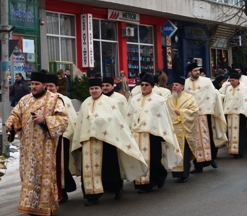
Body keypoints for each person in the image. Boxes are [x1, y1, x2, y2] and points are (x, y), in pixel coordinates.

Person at [71, 78, 147, 206]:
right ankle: (92, 196)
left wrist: (101, 122)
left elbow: (115, 120)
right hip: (88, 142)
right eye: (91, 89)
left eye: (96, 88)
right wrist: (79, 140)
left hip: (106, 140)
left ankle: (116, 189)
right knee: (89, 170)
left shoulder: (110, 102)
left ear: (100, 89)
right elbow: (80, 123)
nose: (94, 91)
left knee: (110, 168)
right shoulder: (85, 103)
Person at [5, 71, 70, 216]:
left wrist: (45, 120)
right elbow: (15, 115)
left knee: (43, 179)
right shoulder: (24, 100)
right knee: (28, 177)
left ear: (44, 85)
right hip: (28, 149)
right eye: (32, 84)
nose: (33, 87)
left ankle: (45, 209)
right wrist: (11, 123)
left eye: (37, 84)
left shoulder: (54, 99)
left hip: (45, 149)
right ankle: (31, 206)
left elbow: (63, 120)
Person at [127, 74, 182, 193]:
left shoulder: (159, 100)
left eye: (146, 85)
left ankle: (159, 176)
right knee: (139, 159)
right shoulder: (134, 99)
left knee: (154, 160)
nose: (144, 87)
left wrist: (163, 133)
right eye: (142, 85)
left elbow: (163, 118)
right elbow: (130, 115)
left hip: (152, 134)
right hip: (137, 134)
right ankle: (143, 184)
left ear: (152, 86)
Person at [43, 74, 78, 204]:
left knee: (61, 166)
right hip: (46, 138)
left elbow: (71, 118)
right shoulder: (41, 100)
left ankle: (63, 191)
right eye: (47, 86)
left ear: (57, 87)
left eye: (51, 86)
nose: (49, 88)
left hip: (63, 137)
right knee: (48, 167)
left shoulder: (64, 100)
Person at [185, 63, 226, 172]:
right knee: (195, 140)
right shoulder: (186, 82)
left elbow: (213, 94)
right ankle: (198, 166)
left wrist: (210, 106)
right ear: (190, 72)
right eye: (195, 71)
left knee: (208, 137)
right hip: (192, 115)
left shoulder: (207, 81)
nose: (198, 72)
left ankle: (212, 158)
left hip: (205, 112)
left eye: (198, 70)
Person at [221, 70, 247, 158]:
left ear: (238, 80)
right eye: (230, 80)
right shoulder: (228, 89)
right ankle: (232, 150)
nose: (231, 82)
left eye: (233, 80)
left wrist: (244, 112)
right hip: (230, 114)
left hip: (241, 115)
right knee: (231, 133)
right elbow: (227, 101)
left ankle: (240, 151)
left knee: (241, 134)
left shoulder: (243, 88)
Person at [168, 77, 199, 183]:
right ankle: (176, 173)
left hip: (184, 129)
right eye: (173, 85)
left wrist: (181, 112)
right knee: (174, 151)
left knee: (184, 152)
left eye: (176, 85)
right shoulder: (169, 99)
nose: (174, 87)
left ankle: (184, 174)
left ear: (182, 87)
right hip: (173, 129)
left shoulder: (189, 98)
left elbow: (195, 111)